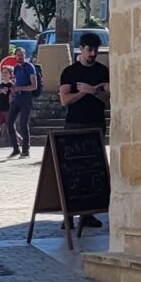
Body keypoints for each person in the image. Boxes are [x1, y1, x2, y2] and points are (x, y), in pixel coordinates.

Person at [57, 30, 110, 226]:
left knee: (93, 169)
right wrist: (83, 92)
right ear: (81, 49)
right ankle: (68, 215)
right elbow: (64, 100)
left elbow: (108, 99)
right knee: (71, 169)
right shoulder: (70, 72)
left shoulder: (103, 71)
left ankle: (87, 213)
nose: (93, 54)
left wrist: (94, 91)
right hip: (74, 124)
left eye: (95, 50)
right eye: (89, 50)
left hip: (96, 123)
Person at [7, 46, 40, 156]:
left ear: (25, 55)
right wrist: (13, 90)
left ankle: (26, 150)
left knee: (23, 124)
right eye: (18, 55)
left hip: (26, 99)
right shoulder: (16, 68)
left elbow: (34, 86)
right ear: (15, 56)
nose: (20, 57)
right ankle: (16, 148)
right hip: (17, 99)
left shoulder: (29, 67)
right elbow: (17, 82)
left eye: (22, 55)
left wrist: (20, 88)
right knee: (9, 122)